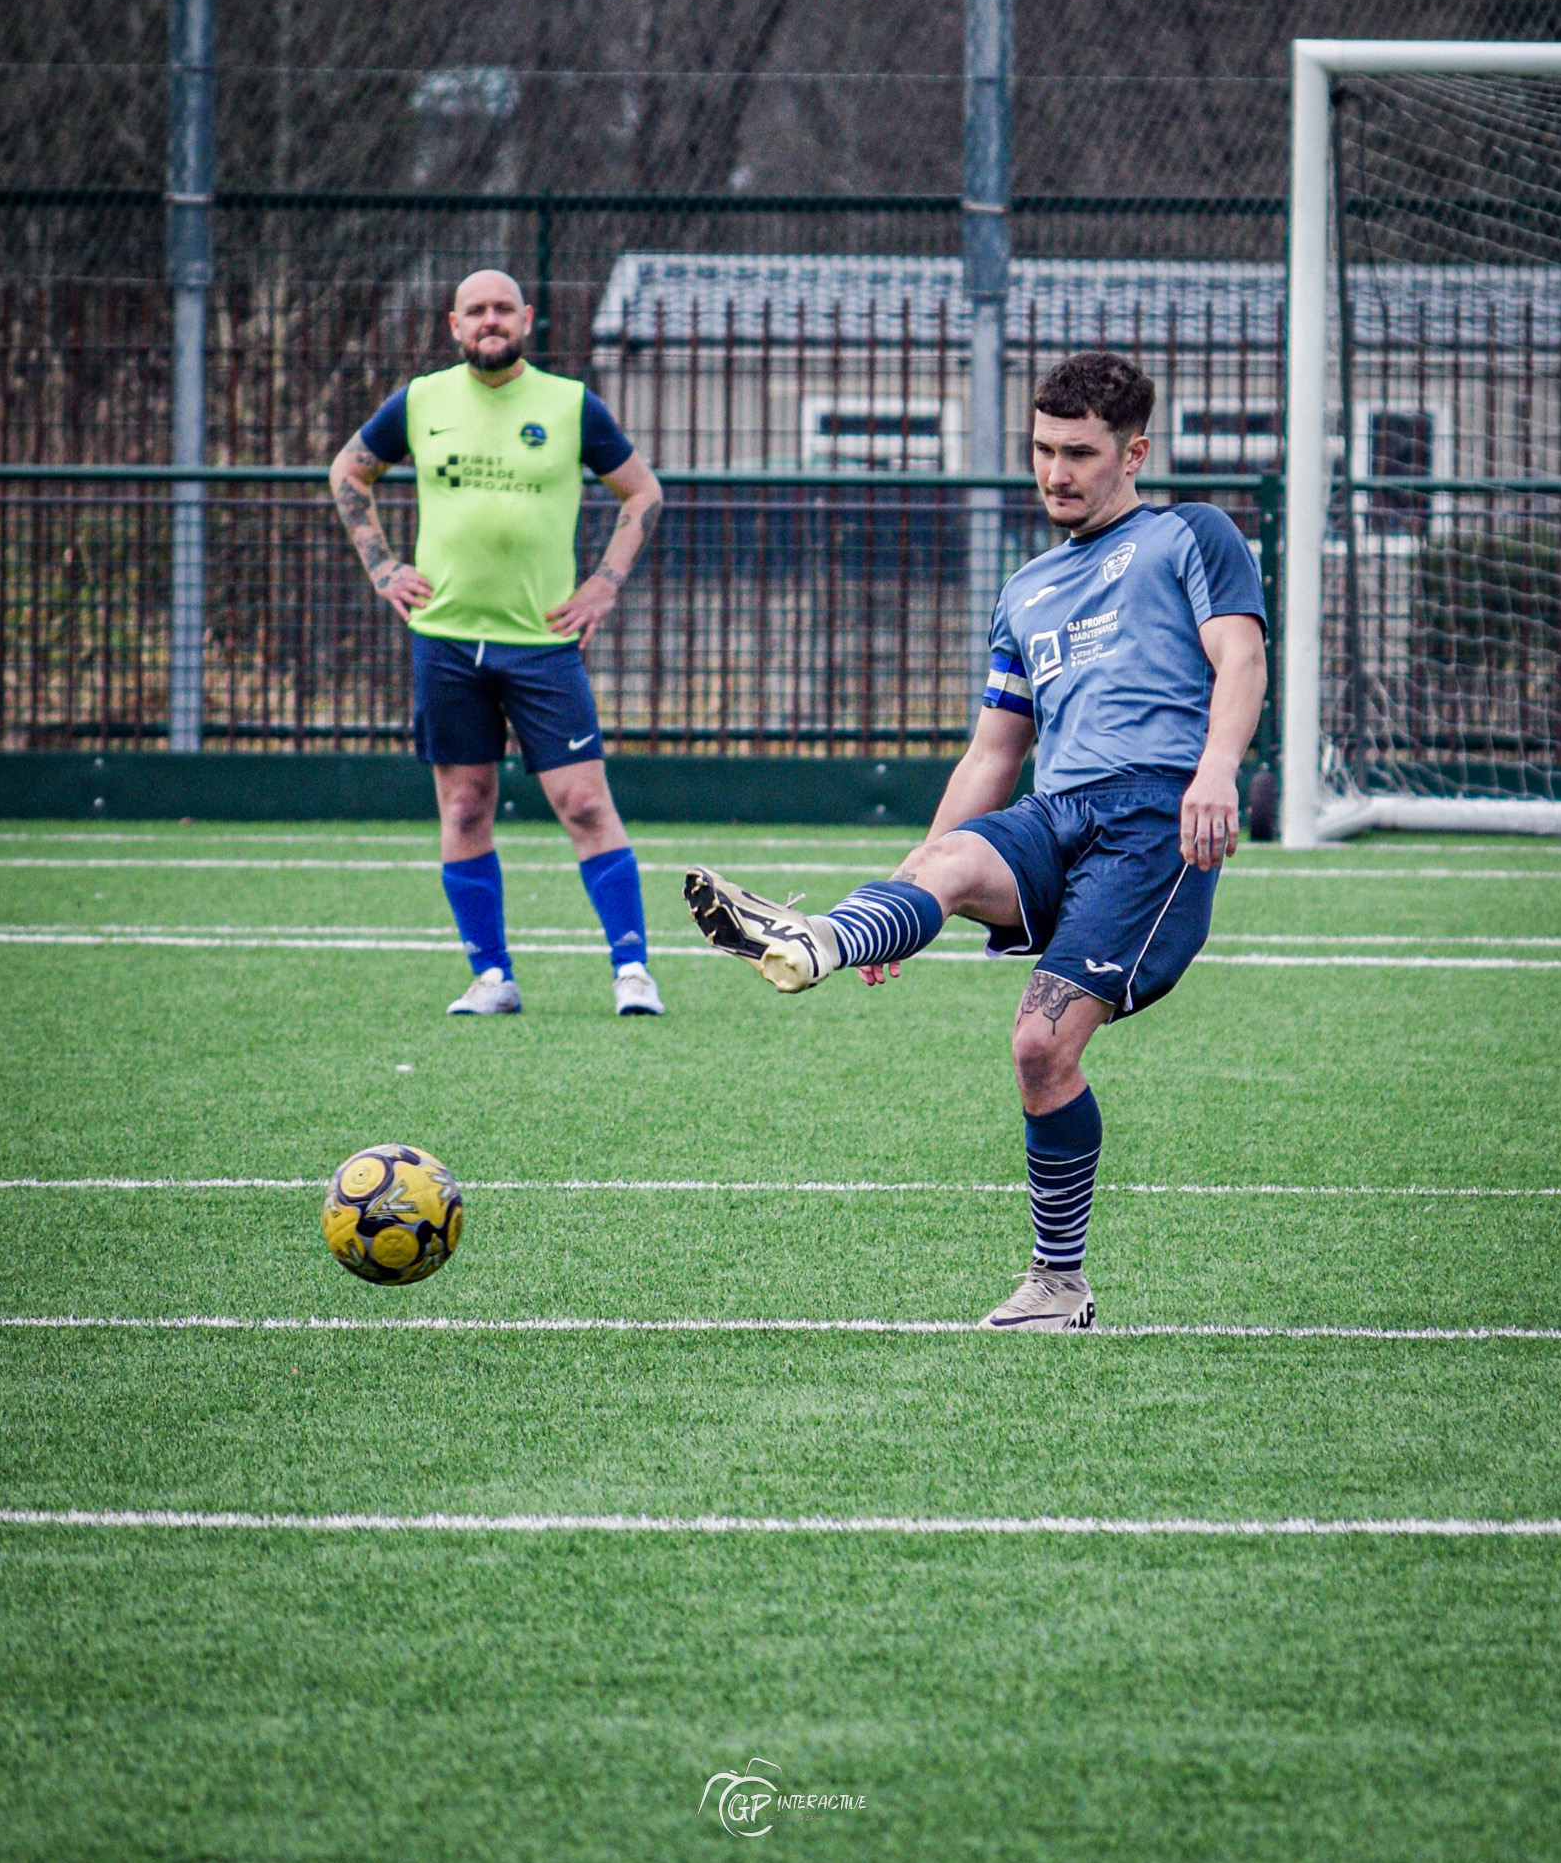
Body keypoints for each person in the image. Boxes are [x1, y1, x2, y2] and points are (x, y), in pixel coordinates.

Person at [684, 351, 1267, 1327]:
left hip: (1151, 820)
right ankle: (824, 937)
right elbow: (993, 752)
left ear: (1134, 454)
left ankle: (1057, 1282)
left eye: (1078, 453)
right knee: (949, 859)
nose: (1054, 472)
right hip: (1057, 810)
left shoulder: (1190, 535)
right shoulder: (1025, 589)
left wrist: (1216, 771)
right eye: (1041, 450)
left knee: (1039, 1048)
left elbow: (1239, 655)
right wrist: (900, 895)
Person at [330, 267, 666, 1017]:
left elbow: (643, 490)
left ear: (527, 319)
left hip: (541, 644)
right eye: (476, 310)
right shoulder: (419, 401)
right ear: (454, 325)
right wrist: (383, 567)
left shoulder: (571, 405)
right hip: (446, 641)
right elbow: (350, 471)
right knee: (464, 806)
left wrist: (604, 584)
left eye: (503, 309)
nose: (491, 320)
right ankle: (492, 977)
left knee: (584, 803)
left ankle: (633, 970)